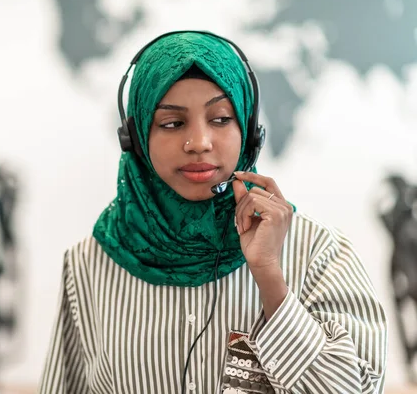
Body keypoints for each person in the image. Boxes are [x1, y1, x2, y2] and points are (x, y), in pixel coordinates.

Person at [38, 31, 388, 394]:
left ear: (250, 131)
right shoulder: (89, 263)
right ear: (137, 139)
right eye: (172, 124)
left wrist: (270, 278)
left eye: (220, 119)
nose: (199, 143)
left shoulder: (319, 252)